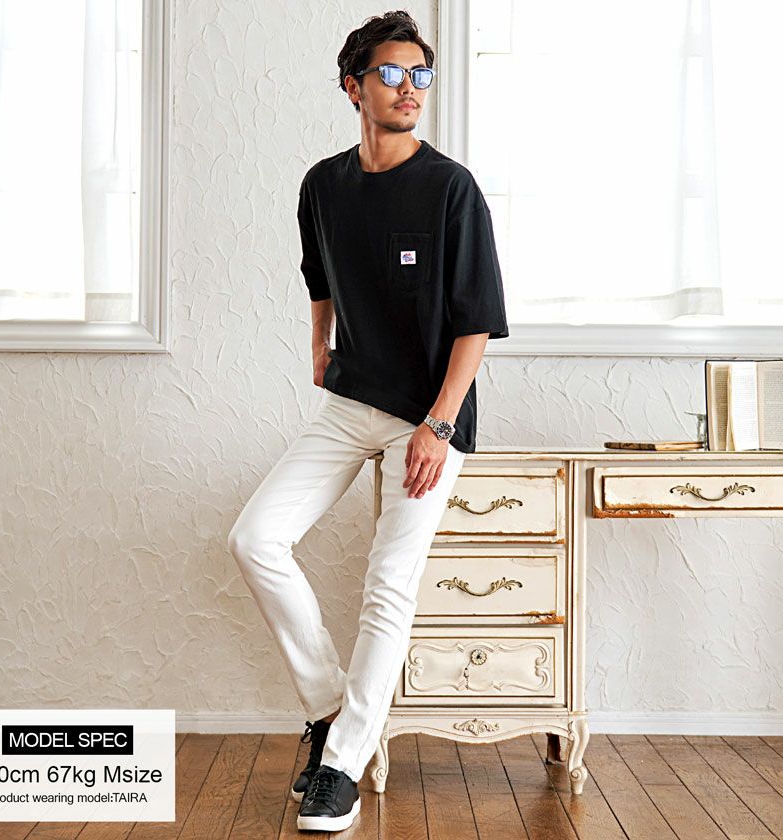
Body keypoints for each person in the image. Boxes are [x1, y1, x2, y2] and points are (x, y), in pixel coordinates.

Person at [227, 9, 509, 833]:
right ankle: (327, 710)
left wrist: (439, 425)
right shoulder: (323, 184)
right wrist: (319, 343)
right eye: (391, 73)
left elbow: (476, 321)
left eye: (420, 75)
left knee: (388, 584)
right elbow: (318, 273)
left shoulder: (451, 188)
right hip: (351, 402)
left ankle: (342, 767)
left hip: (429, 416)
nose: (409, 88)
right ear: (353, 87)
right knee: (255, 539)